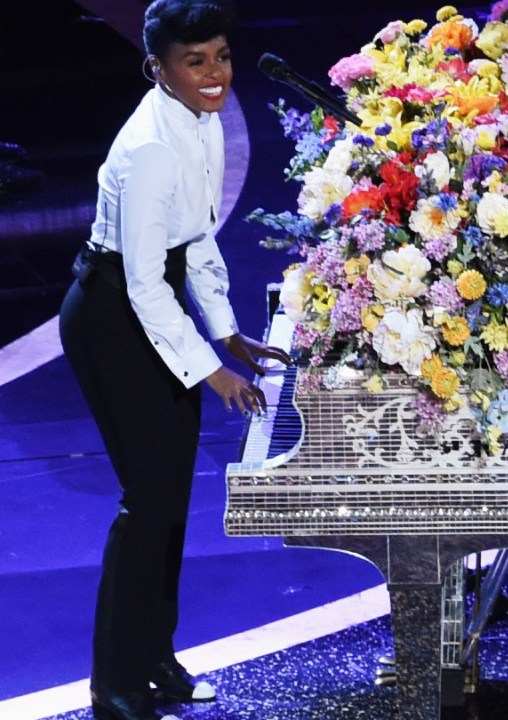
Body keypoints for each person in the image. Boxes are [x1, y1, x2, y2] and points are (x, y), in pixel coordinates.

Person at [58, 2, 290, 719]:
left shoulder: (202, 117)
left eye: (220, 55)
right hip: (112, 317)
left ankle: (154, 656)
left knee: (167, 502)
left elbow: (197, 239)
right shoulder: (151, 146)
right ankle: (116, 684)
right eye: (196, 61)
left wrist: (227, 336)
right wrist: (210, 370)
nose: (215, 73)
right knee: (146, 503)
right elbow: (142, 285)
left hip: (149, 307)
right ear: (157, 67)